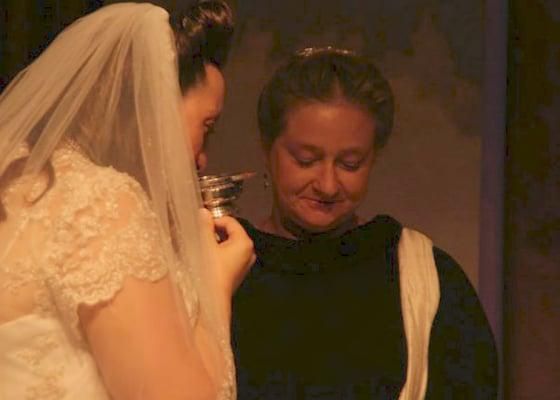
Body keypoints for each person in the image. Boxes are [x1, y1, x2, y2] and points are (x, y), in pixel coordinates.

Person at [0, 2, 254, 399]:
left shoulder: (14, 175)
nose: (203, 158)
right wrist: (215, 285)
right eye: (208, 126)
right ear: (152, 102)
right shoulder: (99, 204)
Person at [232, 47, 498, 399]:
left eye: (350, 164)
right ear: (267, 147)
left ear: (374, 157)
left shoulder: (426, 277)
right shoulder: (226, 266)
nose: (327, 184)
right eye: (306, 160)